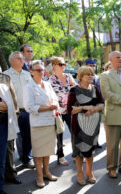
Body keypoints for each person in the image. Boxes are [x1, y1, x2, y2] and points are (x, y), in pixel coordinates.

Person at [23, 60, 59, 188]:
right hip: (38, 124)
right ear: (31, 72)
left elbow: (55, 98)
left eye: (42, 70)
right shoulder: (28, 87)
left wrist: (55, 106)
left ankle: (47, 172)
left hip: (50, 121)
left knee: (47, 150)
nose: (41, 72)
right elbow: (29, 107)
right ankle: (39, 176)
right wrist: (48, 108)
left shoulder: (47, 84)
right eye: (38, 70)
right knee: (38, 152)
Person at [67, 66, 104, 185]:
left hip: (93, 125)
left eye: (92, 74)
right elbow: (69, 109)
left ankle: (89, 172)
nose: (91, 76)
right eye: (88, 74)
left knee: (91, 149)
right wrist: (83, 107)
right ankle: (80, 173)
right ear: (81, 77)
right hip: (78, 125)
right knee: (79, 150)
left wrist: (93, 109)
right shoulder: (74, 90)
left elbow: (102, 104)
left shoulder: (95, 88)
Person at [3, 52, 34, 171]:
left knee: (27, 136)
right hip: (11, 112)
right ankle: (10, 165)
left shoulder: (27, 74)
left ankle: (26, 158)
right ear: (11, 60)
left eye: (22, 58)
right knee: (12, 139)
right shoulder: (5, 75)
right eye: (19, 58)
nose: (22, 59)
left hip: (26, 111)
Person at [48, 56, 76, 166]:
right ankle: (60, 156)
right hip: (58, 112)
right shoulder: (50, 80)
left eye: (64, 64)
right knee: (59, 135)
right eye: (61, 64)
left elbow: (76, 88)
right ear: (54, 66)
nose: (63, 66)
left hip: (70, 110)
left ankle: (76, 154)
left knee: (75, 132)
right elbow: (49, 96)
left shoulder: (69, 76)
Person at [0, 73, 18, 194]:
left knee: (1, 157)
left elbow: (7, 104)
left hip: (3, 123)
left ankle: (0, 186)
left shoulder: (4, 81)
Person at [85, 58, 103, 148]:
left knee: (97, 124)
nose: (92, 67)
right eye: (90, 65)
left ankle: (96, 141)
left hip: (97, 104)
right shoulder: (83, 77)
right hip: (87, 104)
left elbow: (101, 91)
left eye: (93, 66)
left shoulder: (98, 78)